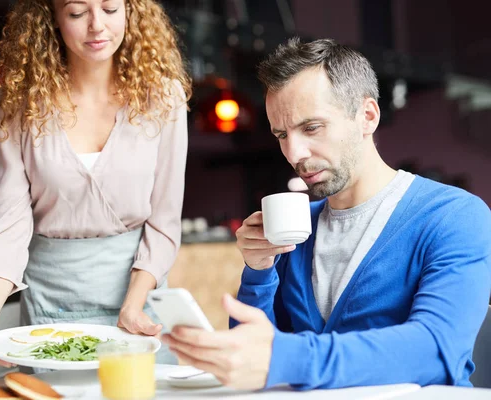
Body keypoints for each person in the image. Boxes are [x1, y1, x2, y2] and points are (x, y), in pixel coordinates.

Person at [162, 37, 491, 389]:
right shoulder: (296, 228)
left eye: (311, 127)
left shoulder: (454, 215)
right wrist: (259, 272)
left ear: (367, 116)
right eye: (281, 134)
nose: (294, 153)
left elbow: (435, 350)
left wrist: (287, 359)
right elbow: (255, 362)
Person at [0, 0, 191, 366]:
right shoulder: (21, 101)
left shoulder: (163, 97)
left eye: (111, 10)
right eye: (78, 13)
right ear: (52, 18)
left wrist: (133, 304)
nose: (97, 26)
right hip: (51, 307)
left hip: (137, 303)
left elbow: (164, 221)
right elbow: (9, 223)